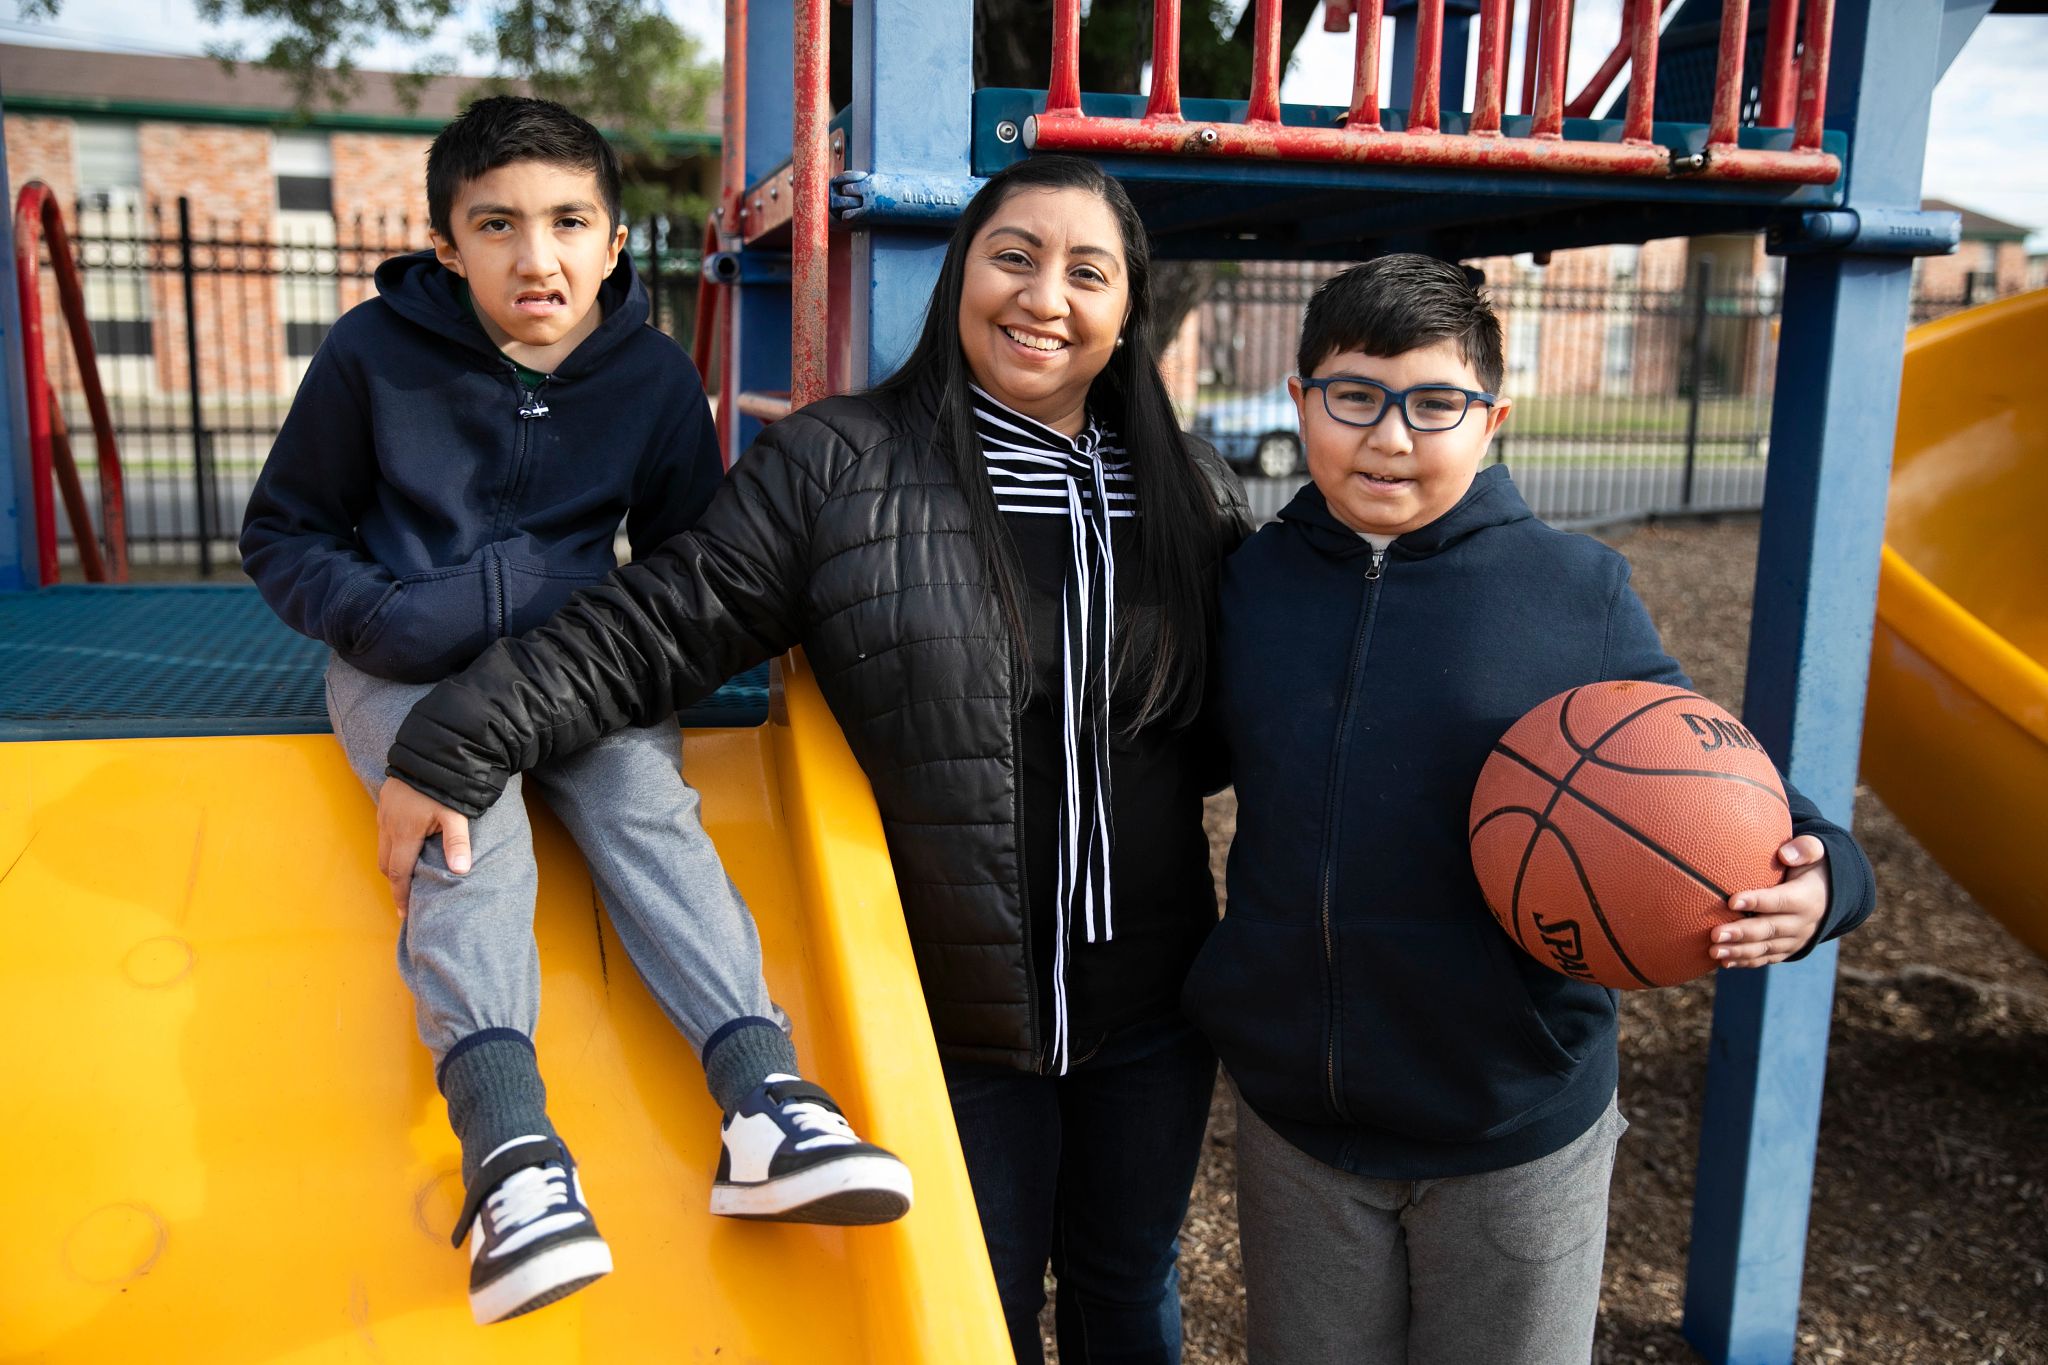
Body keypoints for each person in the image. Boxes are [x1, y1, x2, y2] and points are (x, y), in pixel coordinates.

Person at [371, 154, 1250, 1363]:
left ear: (1122, 309)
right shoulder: (843, 465)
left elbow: (1248, 719)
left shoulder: (1189, 492)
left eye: (1085, 272)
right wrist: (458, 740)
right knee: (970, 1307)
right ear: (960, 278)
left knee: (1129, 1286)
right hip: (951, 1018)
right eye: (1013, 256)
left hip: (1149, 1010)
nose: (1044, 296)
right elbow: (660, 624)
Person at [238, 95, 909, 1328]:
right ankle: (512, 1163)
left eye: (566, 223)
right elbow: (283, 531)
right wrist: (380, 616)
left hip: (574, 665)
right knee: (465, 840)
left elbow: (684, 561)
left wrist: (635, 663)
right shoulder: (370, 356)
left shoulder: (649, 377)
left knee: (646, 805)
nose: (533, 257)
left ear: (612, 241)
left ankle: (764, 1106)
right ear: (446, 243)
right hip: (406, 667)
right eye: (494, 225)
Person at [1181, 254, 1878, 1364]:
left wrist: (1826, 874)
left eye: (1433, 404)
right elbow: (1176, 758)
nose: (1389, 437)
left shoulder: (1571, 591)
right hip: (1300, 1119)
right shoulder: (1251, 585)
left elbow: (1699, 773)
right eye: (1351, 397)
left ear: (1492, 417)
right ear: (1301, 396)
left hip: (1513, 1122)